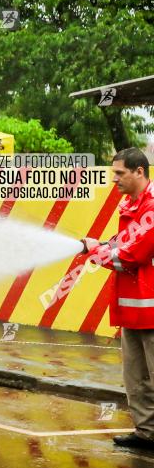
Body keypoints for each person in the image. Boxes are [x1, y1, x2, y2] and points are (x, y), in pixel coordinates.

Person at [81, 147, 154, 451]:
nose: (114, 179)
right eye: (114, 173)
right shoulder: (130, 205)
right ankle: (147, 433)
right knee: (136, 377)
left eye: (120, 173)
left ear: (140, 172)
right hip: (133, 308)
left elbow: (131, 255)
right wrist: (99, 245)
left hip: (151, 309)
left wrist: (96, 252)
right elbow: (121, 244)